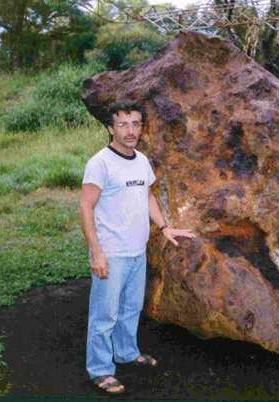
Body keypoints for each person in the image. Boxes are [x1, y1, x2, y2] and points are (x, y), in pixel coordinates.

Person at [79, 101, 196, 395]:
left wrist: (164, 226)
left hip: (137, 250)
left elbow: (147, 197)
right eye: (123, 124)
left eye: (135, 124)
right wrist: (96, 251)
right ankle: (101, 370)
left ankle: (127, 353)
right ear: (110, 128)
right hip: (112, 252)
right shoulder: (100, 163)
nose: (130, 131)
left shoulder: (141, 160)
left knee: (131, 308)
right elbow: (85, 206)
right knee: (104, 314)